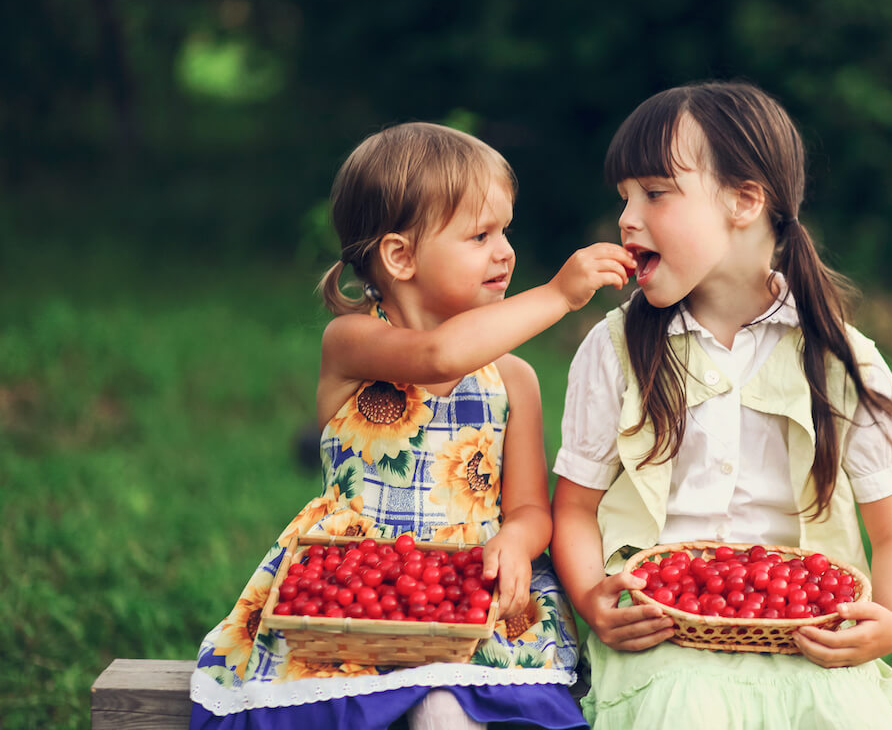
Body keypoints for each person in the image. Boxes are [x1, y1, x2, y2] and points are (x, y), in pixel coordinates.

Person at [190, 122, 635, 730]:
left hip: (468, 600)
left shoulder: (516, 380)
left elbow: (531, 508)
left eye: (505, 229)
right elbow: (437, 357)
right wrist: (558, 295)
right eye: (480, 235)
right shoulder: (353, 343)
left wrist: (517, 541)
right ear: (400, 255)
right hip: (353, 598)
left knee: (447, 710)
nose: (505, 250)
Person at [550, 81, 892, 729]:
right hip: (665, 636)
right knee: (685, 710)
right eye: (625, 198)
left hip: (809, 635)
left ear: (744, 201)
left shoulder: (840, 358)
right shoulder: (615, 350)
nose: (627, 219)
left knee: (842, 716)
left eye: (656, 193)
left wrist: (887, 627)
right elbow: (575, 509)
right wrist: (593, 600)